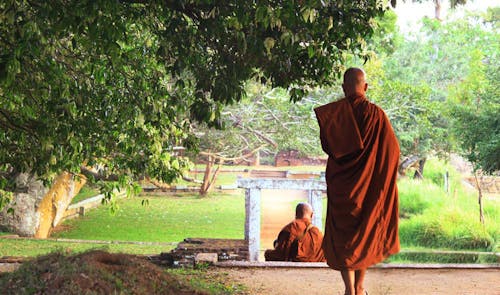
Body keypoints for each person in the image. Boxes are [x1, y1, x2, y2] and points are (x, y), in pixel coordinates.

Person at [314, 67, 400, 295]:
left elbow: (328, 147)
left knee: (344, 237)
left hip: (342, 188)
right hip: (368, 189)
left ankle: (349, 289)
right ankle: (360, 288)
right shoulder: (376, 115)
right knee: (364, 235)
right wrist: (381, 178)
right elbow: (392, 152)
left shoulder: (334, 116)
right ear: (365, 87)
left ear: (343, 88)